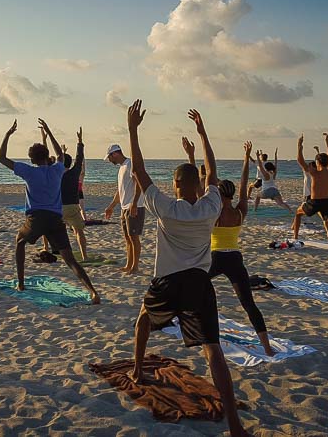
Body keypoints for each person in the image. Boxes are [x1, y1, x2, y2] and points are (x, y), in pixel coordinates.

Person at [126, 100, 251, 437]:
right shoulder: (211, 205)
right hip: (198, 284)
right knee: (213, 349)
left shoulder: (166, 207)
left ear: (176, 184)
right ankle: (236, 425)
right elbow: (212, 170)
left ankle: (137, 370)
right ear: (197, 186)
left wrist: (133, 131)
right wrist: (203, 132)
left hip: (166, 283)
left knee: (143, 319)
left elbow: (138, 171)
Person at [0, 119, 100, 304]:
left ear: (32, 160)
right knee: (70, 259)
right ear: (46, 156)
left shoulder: (29, 171)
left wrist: (8, 135)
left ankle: (21, 284)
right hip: (55, 219)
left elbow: (1, 158)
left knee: (19, 242)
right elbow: (60, 154)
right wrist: (49, 131)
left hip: (36, 218)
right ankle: (92, 291)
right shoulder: (57, 170)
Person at [202, 139, 274, 356]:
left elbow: (206, 182)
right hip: (235, 259)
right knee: (249, 304)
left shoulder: (213, 211)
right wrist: (246, 159)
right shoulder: (240, 210)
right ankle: (268, 348)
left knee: (192, 286)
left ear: (219, 194)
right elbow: (244, 186)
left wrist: (193, 155)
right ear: (232, 194)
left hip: (214, 259)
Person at [293, 133, 328, 251]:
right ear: (327, 162)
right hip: (327, 202)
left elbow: (299, 161)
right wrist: (327, 141)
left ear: (317, 162)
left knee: (297, 213)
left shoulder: (315, 173)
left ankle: (295, 237)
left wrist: (299, 146)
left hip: (314, 202)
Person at [104, 143, 145, 275]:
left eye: (110, 157)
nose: (109, 161)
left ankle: (135, 266)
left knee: (134, 237)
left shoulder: (130, 164)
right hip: (124, 207)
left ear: (115, 154)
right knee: (128, 238)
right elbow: (120, 191)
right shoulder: (122, 168)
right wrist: (111, 206)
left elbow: (139, 183)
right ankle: (129, 264)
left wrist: (134, 203)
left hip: (134, 206)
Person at [61, 128, 88, 260]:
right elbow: (79, 158)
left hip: (58, 208)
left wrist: (62, 152)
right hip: (73, 207)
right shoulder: (74, 172)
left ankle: (47, 249)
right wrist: (80, 142)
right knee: (79, 232)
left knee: (50, 230)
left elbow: (55, 162)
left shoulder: (55, 174)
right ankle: (84, 256)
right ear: (70, 163)